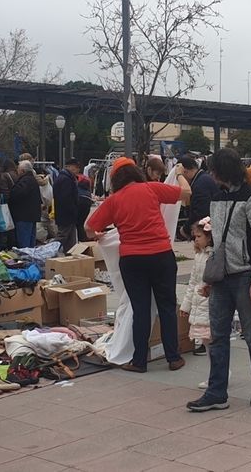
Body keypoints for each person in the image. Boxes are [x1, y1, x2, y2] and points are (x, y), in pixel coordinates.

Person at [187, 148, 251, 412]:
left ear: (223, 171)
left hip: (245, 275)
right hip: (222, 277)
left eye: (214, 170)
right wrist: (210, 278)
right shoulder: (217, 196)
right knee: (217, 336)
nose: (211, 175)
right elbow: (217, 242)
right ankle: (217, 392)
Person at [86, 158, 191, 373]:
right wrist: (179, 173)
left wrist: (98, 235)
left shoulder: (114, 201)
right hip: (161, 255)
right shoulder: (151, 188)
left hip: (132, 260)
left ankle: (139, 361)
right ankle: (173, 357)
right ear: (136, 172)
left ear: (115, 179)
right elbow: (186, 194)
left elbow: (89, 227)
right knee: (167, 306)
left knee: (140, 310)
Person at [180, 221, 215, 364]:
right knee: (206, 341)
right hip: (199, 302)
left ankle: (218, 372)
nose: (196, 239)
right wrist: (185, 305)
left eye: (199, 236)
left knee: (212, 339)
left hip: (209, 302)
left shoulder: (213, 255)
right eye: (195, 236)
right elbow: (192, 282)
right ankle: (215, 372)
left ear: (209, 238)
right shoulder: (199, 256)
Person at [181, 156, 219, 241]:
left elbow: (200, 212)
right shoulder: (203, 178)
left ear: (185, 171)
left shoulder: (199, 185)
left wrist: (186, 229)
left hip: (207, 231)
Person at [10, 161, 42, 249]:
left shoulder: (25, 181)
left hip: (24, 216)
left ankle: (25, 260)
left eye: (18, 169)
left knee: (24, 242)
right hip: (32, 215)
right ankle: (30, 260)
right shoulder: (33, 180)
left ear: (23, 171)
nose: (17, 171)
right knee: (31, 241)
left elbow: (17, 194)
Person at [52, 158, 82, 251]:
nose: (78, 170)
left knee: (70, 238)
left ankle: (69, 256)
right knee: (63, 236)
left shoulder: (65, 178)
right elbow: (66, 198)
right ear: (70, 167)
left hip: (66, 214)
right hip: (66, 214)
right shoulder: (66, 179)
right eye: (76, 167)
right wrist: (73, 210)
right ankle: (48, 251)